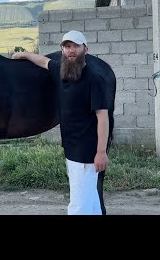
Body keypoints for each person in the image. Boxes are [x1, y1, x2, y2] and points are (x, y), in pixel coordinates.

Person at [12, 30, 109, 215]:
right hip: (72, 149)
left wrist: (101, 152)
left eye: (76, 46)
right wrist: (23, 54)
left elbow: (102, 117)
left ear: (85, 49)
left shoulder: (94, 80)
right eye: (67, 46)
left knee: (79, 205)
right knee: (91, 200)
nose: (71, 50)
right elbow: (42, 61)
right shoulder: (62, 71)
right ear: (62, 50)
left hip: (86, 153)